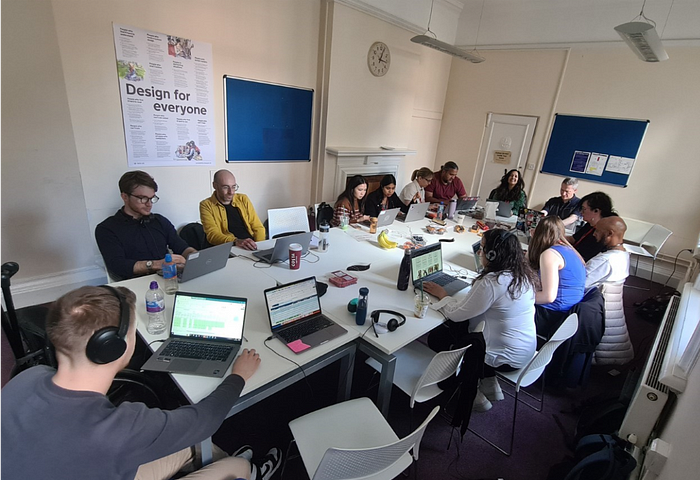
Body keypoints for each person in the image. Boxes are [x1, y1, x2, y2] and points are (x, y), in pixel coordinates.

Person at [0, 285, 281, 480]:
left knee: (187, 446)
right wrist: (238, 375)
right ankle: (251, 471)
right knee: (236, 467)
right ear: (113, 347)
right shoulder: (122, 427)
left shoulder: (25, 379)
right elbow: (204, 420)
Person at [423, 229, 537, 412]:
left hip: (504, 358)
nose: (479, 253)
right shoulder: (522, 275)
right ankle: (489, 382)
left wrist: (443, 295)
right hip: (526, 351)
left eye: (482, 248)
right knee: (468, 325)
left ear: (492, 255)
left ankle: (469, 388)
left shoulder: (492, 282)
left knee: (439, 336)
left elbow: (456, 314)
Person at [95, 171, 196, 281]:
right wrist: (157, 264)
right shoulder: (107, 229)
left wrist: (194, 256)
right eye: (142, 198)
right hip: (134, 283)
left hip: (167, 279)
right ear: (125, 197)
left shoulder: (159, 221)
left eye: (152, 198)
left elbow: (180, 246)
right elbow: (118, 266)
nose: (149, 204)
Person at [528, 216, 586, 337]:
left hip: (551, 315)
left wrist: (518, 296)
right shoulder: (569, 250)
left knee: (503, 303)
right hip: (567, 313)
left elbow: (548, 297)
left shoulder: (549, 254)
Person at [200, 170, 266, 251]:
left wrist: (260, 247)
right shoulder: (206, 205)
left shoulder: (243, 199)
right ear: (215, 186)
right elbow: (212, 235)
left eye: (233, 187)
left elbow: (258, 227)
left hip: (251, 245)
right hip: (229, 248)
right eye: (225, 187)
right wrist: (235, 242)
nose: (231, 192)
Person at [568, 191, 618, 262]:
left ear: (596, 211)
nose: (581, 212)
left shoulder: (603, 232)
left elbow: (586, 257)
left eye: (584, 209)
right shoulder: (590, 224)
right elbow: (573, 239)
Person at [585, 216, 630, 289]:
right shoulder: (624, 254)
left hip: (589, 298)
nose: (594, 234)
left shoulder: (604, 260)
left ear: (609, 233)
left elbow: (577, 283)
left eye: (597, 231)